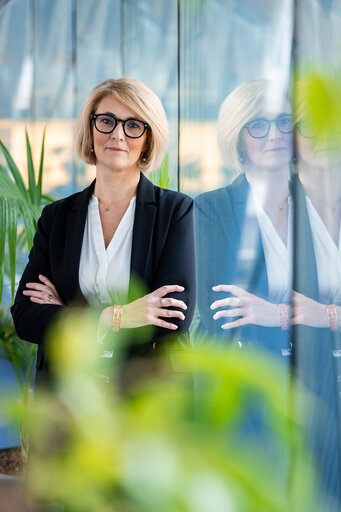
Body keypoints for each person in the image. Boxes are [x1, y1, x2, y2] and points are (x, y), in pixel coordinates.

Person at [11, 77, 196, 377]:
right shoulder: (56, 217)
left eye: (134, 125)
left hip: (145, 396)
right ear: (91, 128)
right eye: (107, 121)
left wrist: (69, 315)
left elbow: (174, 318)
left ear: (148, 138)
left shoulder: (174, 211)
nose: (118, 134)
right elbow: (26, 316)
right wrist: (119, 316)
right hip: (68, 394)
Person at [194, 79, 293, 356]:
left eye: (283, 121)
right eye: (259, 126)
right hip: (241, 375)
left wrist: (275, 313)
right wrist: (313, 316)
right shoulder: (212, 209)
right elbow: (223, 315)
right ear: (237, 138)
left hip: (317, 377)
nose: (275, 135)